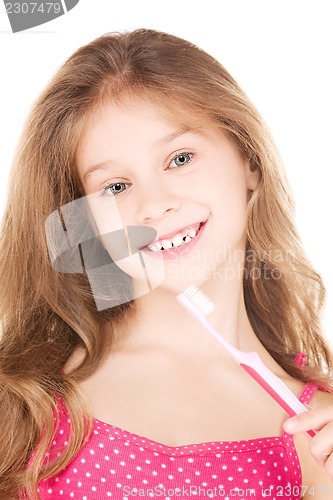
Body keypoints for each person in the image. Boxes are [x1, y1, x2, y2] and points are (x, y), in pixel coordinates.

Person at [1, 28, 333, 500]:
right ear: (85, 221)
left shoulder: (319, 433)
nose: (154, 206)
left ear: (249, 162)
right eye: (114, 186)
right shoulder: (24, 405)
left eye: (179, 158)